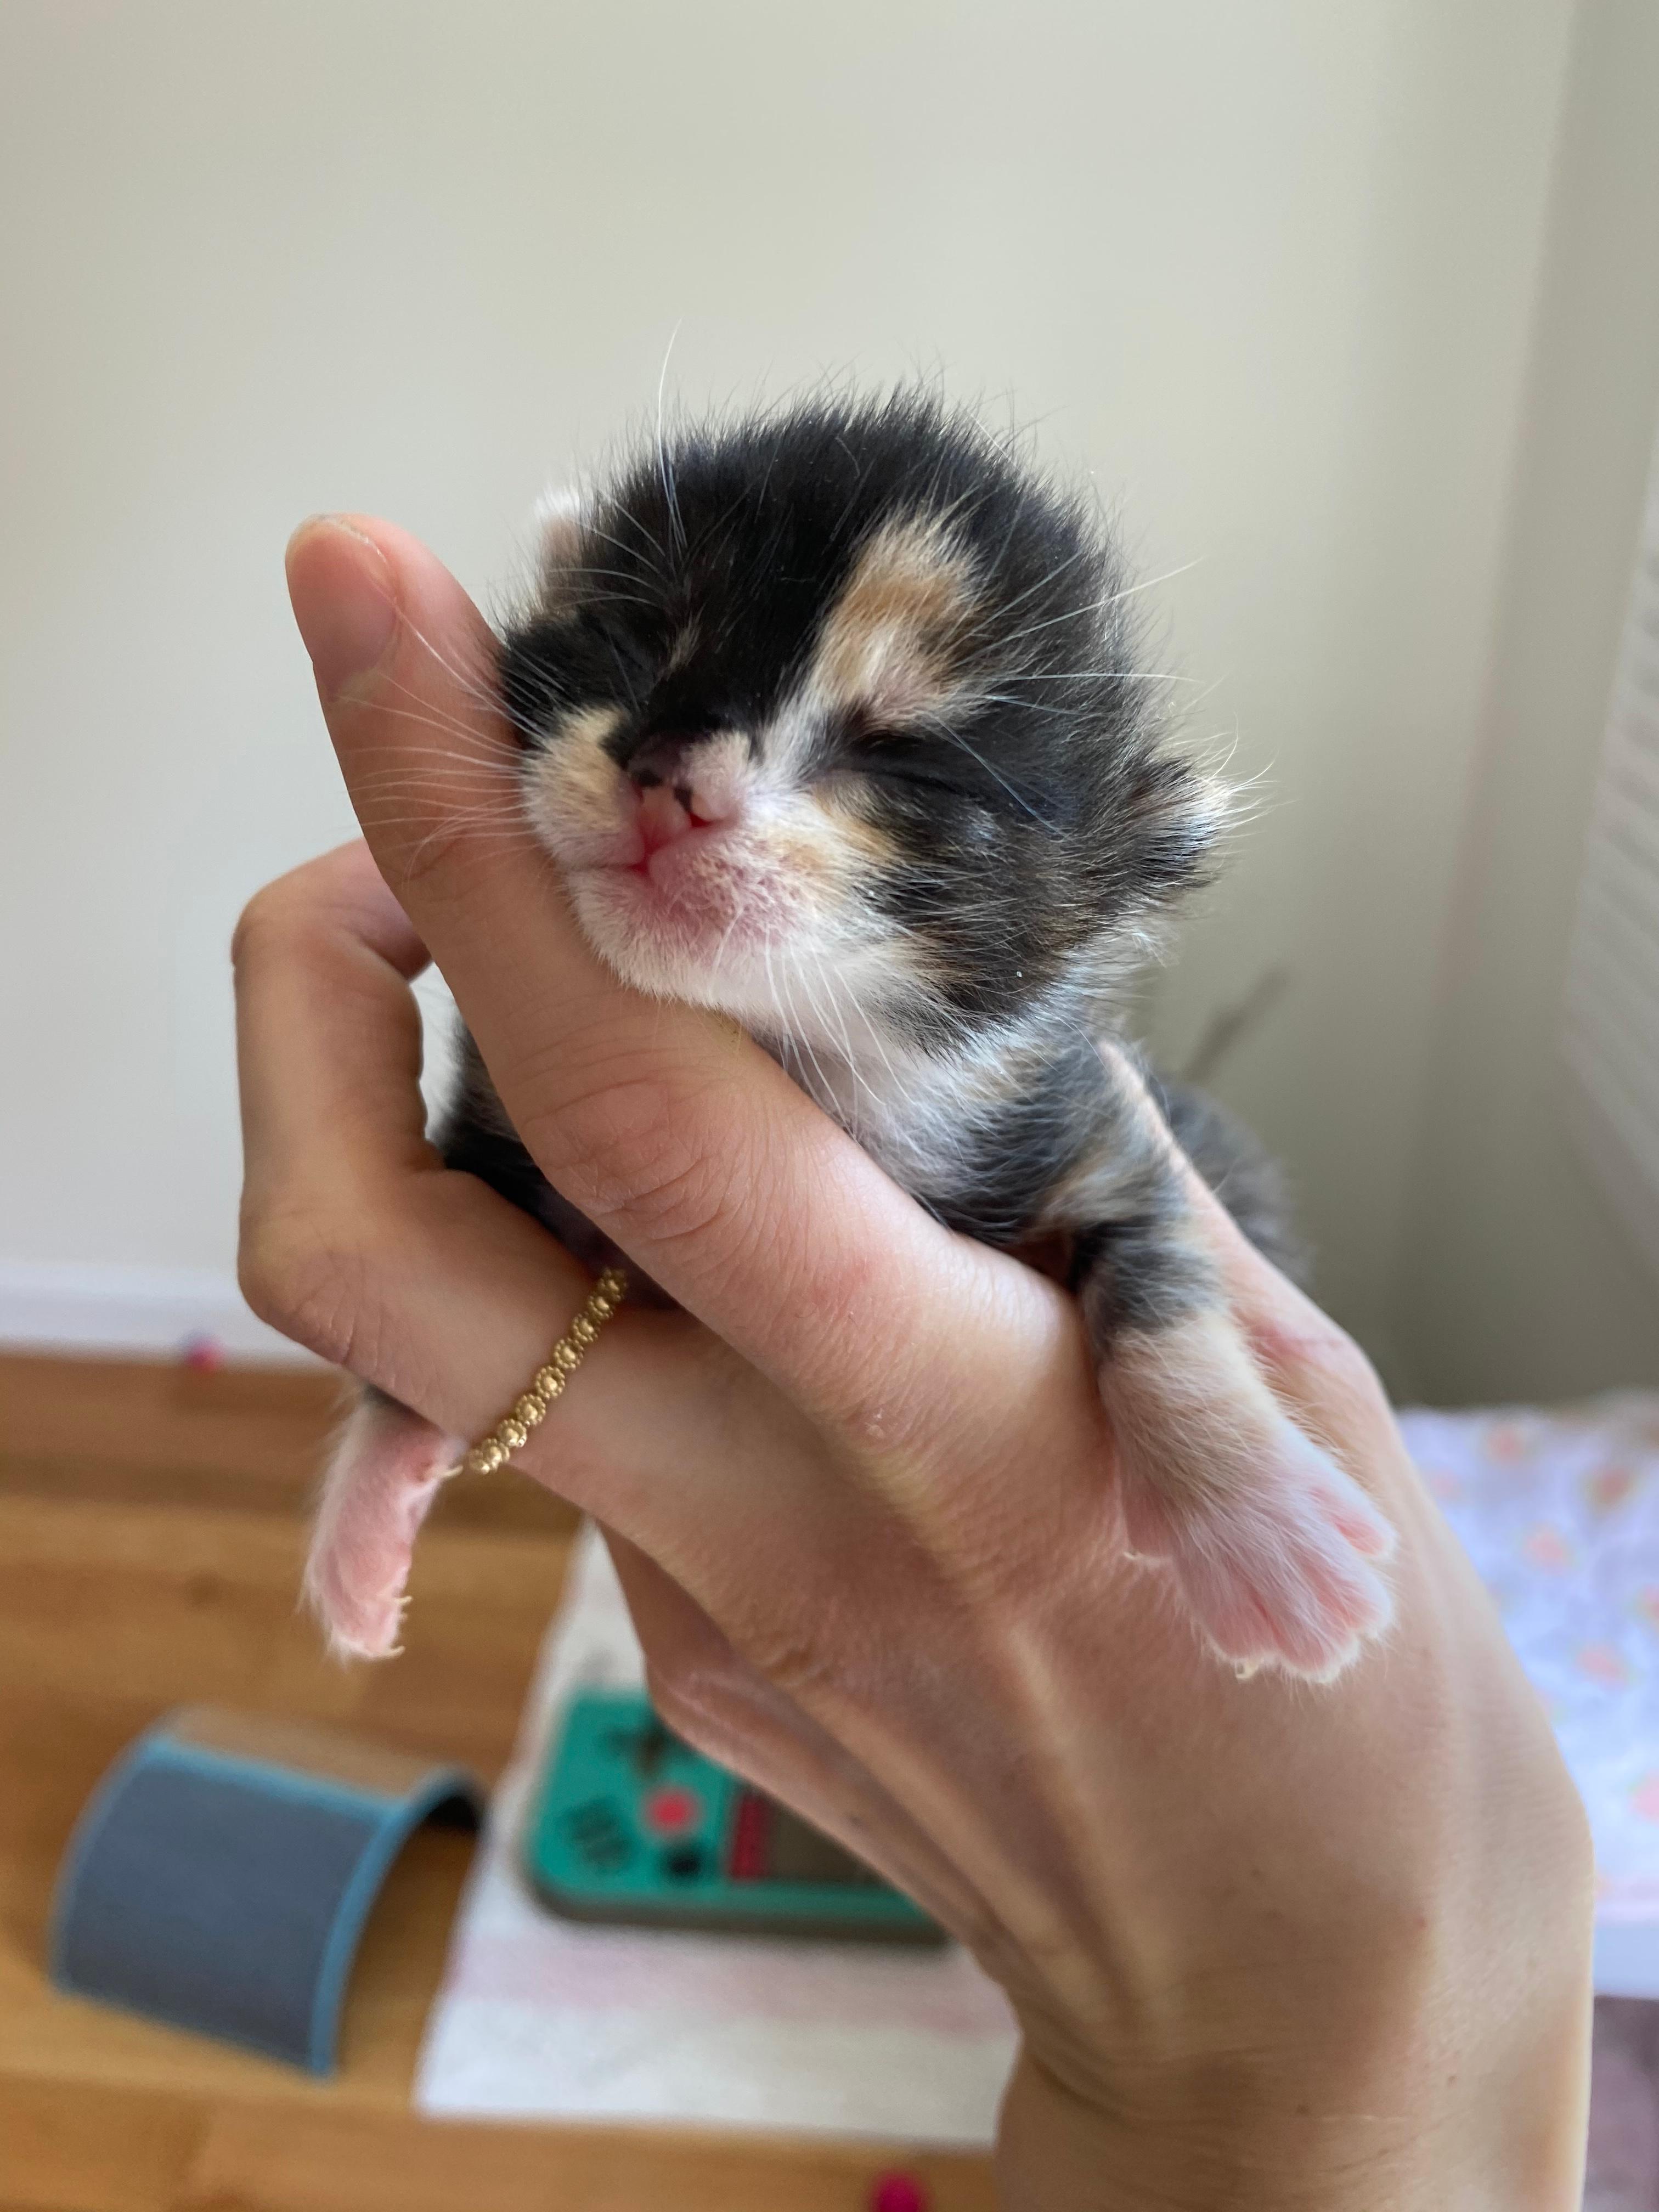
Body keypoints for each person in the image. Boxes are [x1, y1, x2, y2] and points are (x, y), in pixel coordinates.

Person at [233, 515, 1594, 2208]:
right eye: (650, 657)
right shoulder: (548, 1031)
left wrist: (1206, 1446)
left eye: (902, 747)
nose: (693, 765)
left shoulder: (1024, 1096)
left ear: (1110, 878)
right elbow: (480, 1214)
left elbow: (1123, 1207)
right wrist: (397, 1426)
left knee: (1183, 1169)